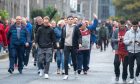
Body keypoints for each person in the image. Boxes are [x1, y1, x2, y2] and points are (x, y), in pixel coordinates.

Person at [61, 16, 82, 80]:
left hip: (73, 46)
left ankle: (75, 72)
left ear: (73, 20)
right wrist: (61, 47)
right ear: (67, 20)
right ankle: (66, 74)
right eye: (69, 19)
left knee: (74, 60)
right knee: (66, 60)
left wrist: (80, 43)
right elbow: (62, 38)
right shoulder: (64, 27)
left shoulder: (76, 27)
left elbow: (79, 36)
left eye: (71, 19)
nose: (70, 20)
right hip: (66, 45)